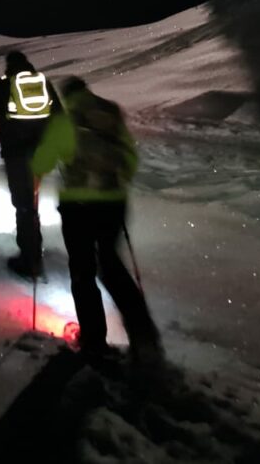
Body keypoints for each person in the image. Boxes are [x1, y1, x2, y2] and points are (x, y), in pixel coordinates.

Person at [31, 76, 161, 364]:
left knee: (83, 270)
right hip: (113, 203)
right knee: (112, 265)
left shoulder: (65, 121)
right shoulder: (111, 113)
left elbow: (44, 161)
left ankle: (94, 340)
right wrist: (115, 183)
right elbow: (130, 158)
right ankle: (144, 335)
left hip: (78, 206)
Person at [0, 51, 58, 278]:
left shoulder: (1, 85)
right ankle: (34, 249)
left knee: (23, 204)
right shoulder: (43, 82)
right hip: (41, 151)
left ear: (8, 66)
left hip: (16, 153)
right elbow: (59, 115)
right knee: (32, 200)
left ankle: (30, 260)